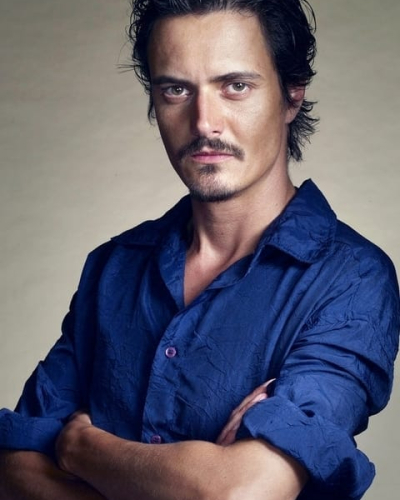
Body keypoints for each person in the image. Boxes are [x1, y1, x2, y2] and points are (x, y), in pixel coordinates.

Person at [0, 0, 399, 499]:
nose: (204, 123)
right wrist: (193, 477)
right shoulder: (113, 266)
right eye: (176, 90)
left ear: (292, 95)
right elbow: (13, 468)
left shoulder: (353, 278)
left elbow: (239, 493)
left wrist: (81, 447)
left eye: (236, 86)